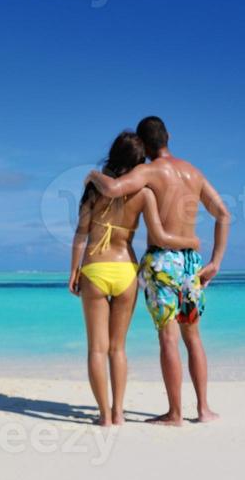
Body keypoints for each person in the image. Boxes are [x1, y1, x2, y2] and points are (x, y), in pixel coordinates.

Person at [85, 117, 230, 425]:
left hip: (162, 262)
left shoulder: (148, 171)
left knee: (168, 337)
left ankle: (175, 413)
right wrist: (215, 261)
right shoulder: (194, 172)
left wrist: (92, 175)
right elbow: (223, 214)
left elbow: (111, 189)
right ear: (168, 137)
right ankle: (203, 409)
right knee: (193, 336)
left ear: (143, 145)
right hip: (192, 262)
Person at [70, 131, 200, 427]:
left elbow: (80, 234)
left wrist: (73, 270)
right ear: (139, 162)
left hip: (95, 269)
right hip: (126, 270)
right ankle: (119, 412)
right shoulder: (144, 194)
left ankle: (104, 416)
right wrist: (190, 241)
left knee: (96, 349)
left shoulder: (93, 189)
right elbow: (160, 236)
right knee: (118, 348)